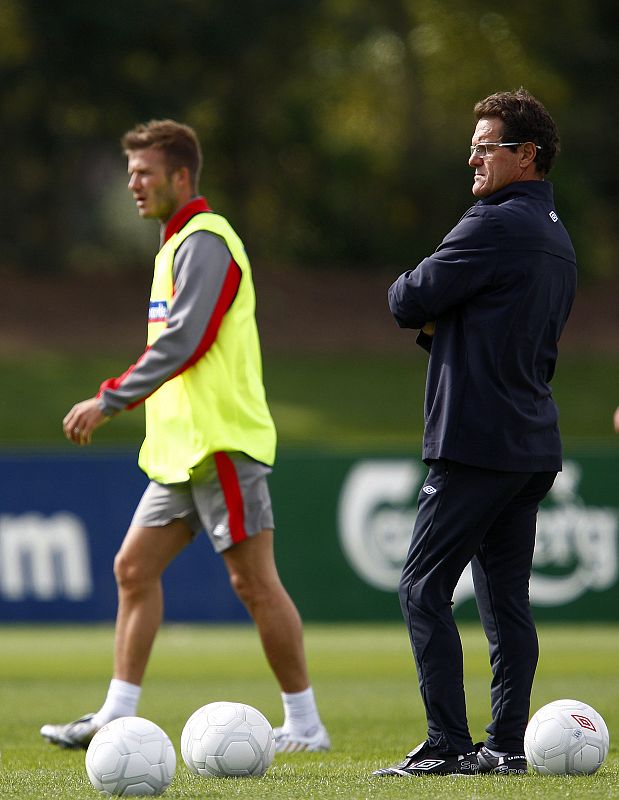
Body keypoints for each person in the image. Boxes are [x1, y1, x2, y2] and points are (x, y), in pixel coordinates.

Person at [40, 119, 330, 754]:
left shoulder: (207, 241)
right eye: (130, 175)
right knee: (132, 568)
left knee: (254, 583)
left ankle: (305, 724)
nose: (134, 185)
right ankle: (115, 715)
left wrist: (108, 399)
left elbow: (187, 340)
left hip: (221, 444)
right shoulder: (175, 246)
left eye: (144, 174)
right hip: (180, 453)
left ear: (181, 176)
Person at [373, 89, 576, 777]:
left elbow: (407, 299)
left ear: (526, 154)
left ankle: (447, 744)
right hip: (530, 442)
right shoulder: (555, 235)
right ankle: (508, 745)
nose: (472, 157)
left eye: (485, 145)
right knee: (505, 603)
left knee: (421, 588)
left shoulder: (490, 222)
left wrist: (434, 311)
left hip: (474, 440)